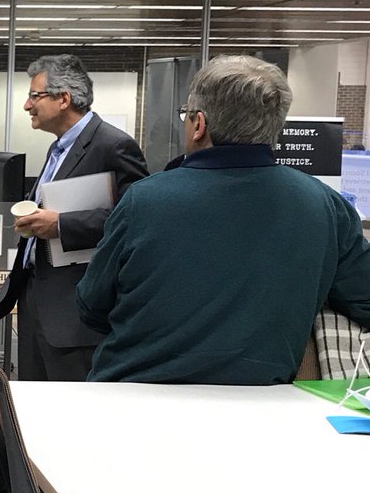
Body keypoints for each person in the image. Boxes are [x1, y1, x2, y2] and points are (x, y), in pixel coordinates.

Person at [78, 55, 370, 384]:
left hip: (133, 401)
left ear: (199, 124)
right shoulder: (324, 205)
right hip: (262, 410)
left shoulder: (144, 200)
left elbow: (91, 305)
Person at [0, 54, 148, 381]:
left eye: (35, 96)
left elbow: (135, 221)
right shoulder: (58, 148)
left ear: (64, 99)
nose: (26, 105)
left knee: (70, 411)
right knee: (34, 408)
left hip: (75, 311)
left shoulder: (114, 145)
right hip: (36, 297)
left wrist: (61, 225)